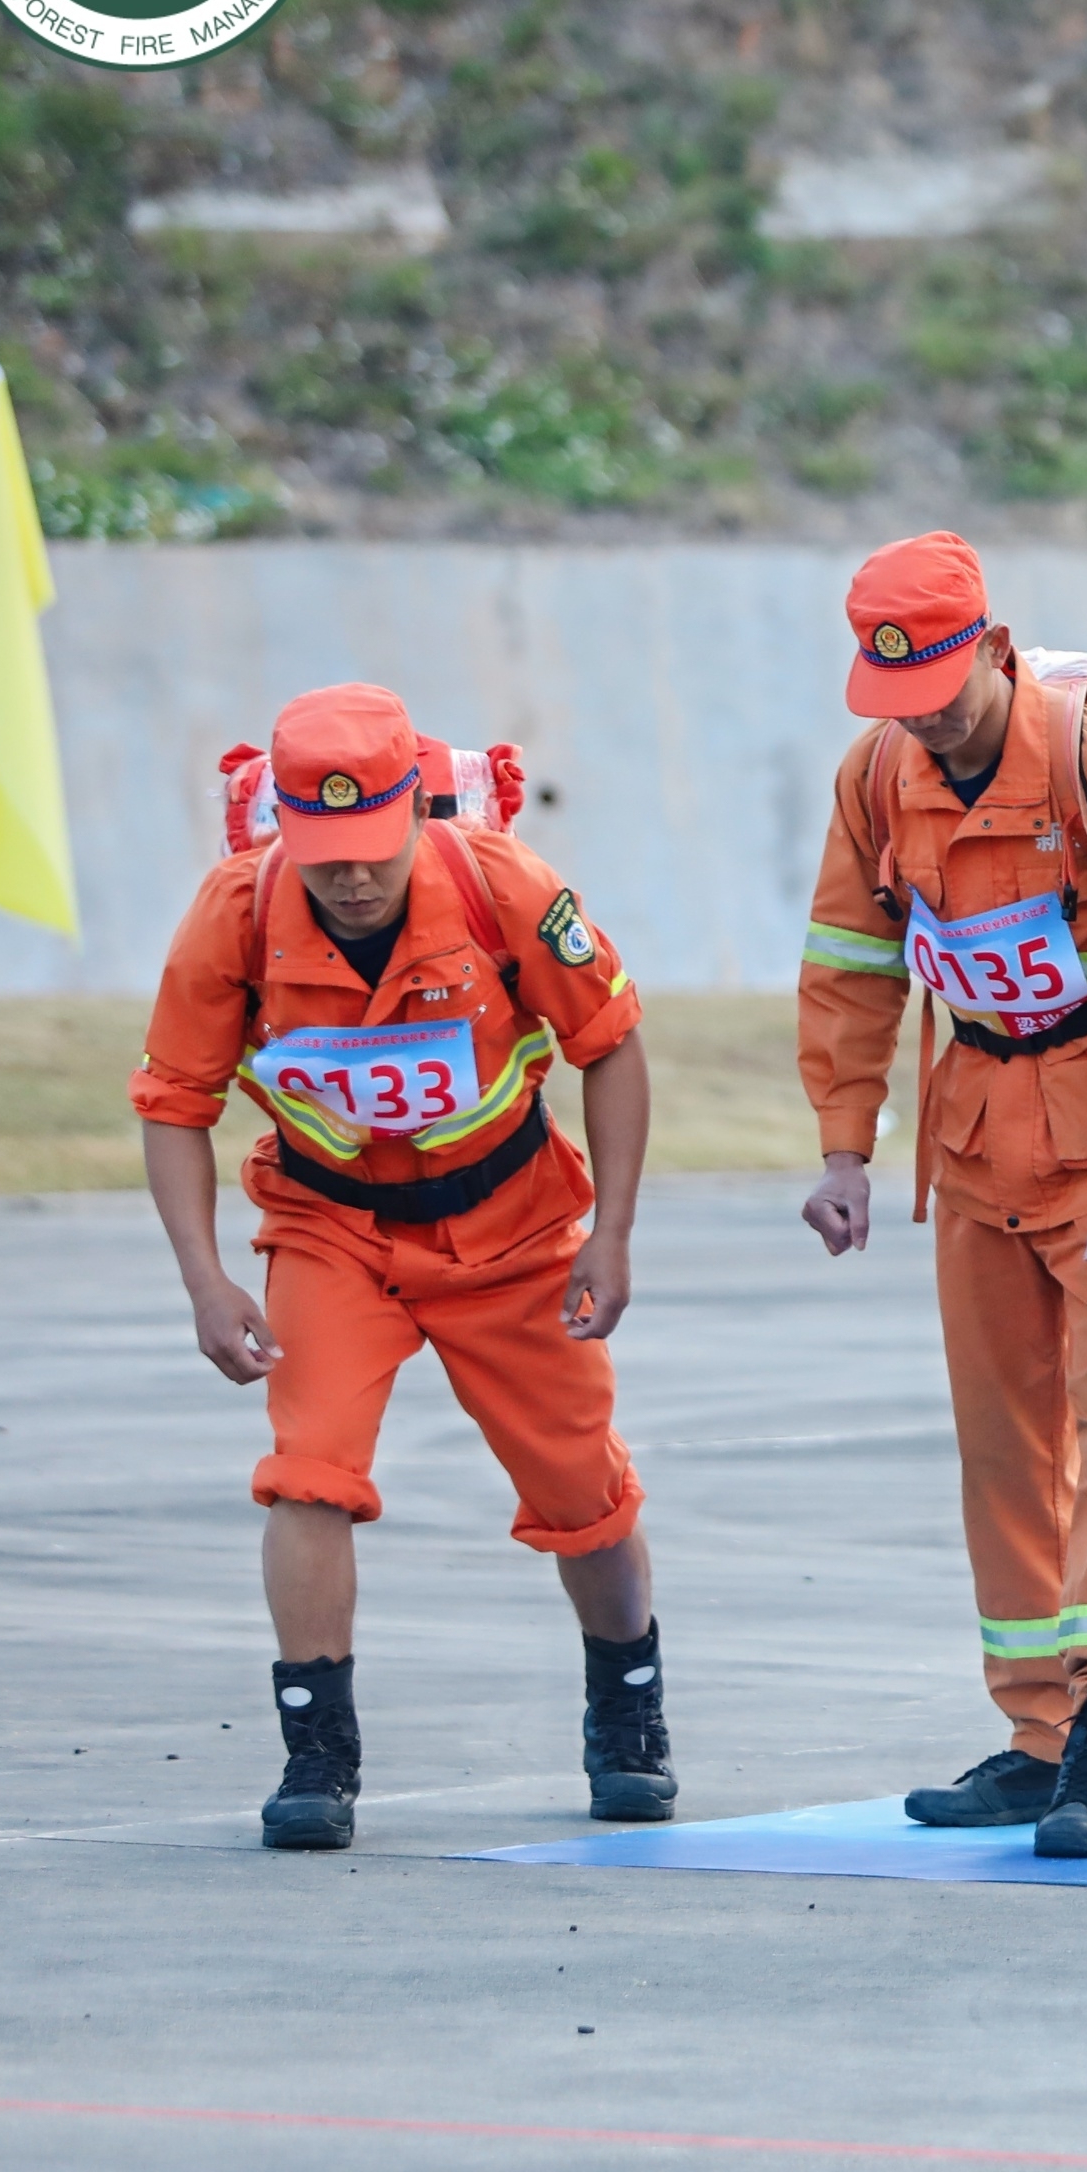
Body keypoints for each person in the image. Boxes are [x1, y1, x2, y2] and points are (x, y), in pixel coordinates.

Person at [134, 682, 665, 1850]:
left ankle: (628, 1708)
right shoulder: (236, 911)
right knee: (308, 1472)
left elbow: (611, 1044)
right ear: (285, 826)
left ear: (418, 810)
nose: (352, 876)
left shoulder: (502, 887)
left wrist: (613, 1233)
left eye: (374, 845)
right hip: (334, 1231)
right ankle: (317, 1755)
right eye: (324, 851)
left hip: (513, 1232)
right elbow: (174, 1100)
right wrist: (205, 1280)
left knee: (581, 1491)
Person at [793, 532, 1087, 1860]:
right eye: (897, 696)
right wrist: (846, 1147)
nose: (924, 719)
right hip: (975, 1143)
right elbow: (851, 961)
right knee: (1003, 1448)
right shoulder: (878, 775)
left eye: (941, 689)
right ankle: (1036, 1730)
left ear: (992, 650)